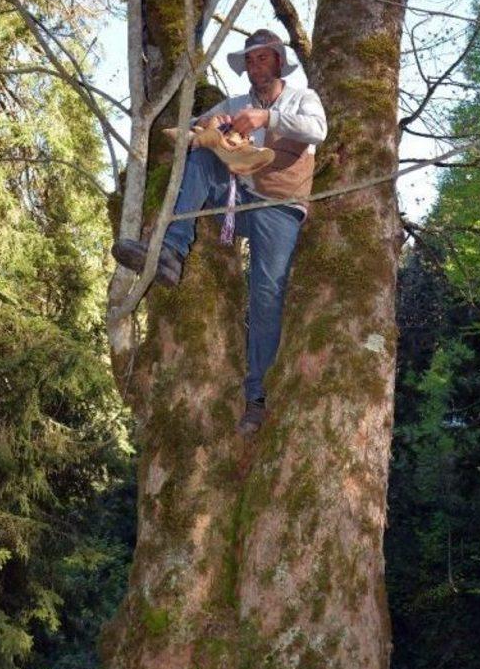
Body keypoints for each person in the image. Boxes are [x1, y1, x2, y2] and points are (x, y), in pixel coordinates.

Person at [112, 29, 328, 435]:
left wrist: (269, 117)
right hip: (238, 199)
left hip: (279, 208)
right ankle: (171, 253)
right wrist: (209, 124)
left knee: (266, 294)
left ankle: (257, 395)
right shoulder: (236, 102)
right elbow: (195, 126)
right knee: (200, 162)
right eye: (249, 60)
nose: (254, 66)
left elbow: (318, 130)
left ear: (279, 62)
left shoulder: (303, 98)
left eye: (262, 58)